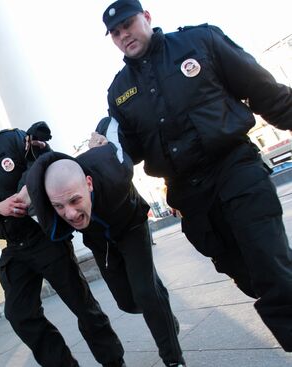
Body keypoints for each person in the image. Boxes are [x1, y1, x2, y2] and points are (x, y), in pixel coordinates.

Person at [101, 0, 292, 351]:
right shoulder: (119, 92)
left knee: (269, 264)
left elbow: (262, 90)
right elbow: (124, 152)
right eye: (115, 32)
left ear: (146, 17)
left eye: (128, 24)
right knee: (246, 272)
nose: (123, 34)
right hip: (189, 196)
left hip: (234, 168)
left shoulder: (199, 42)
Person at [0, 110, 126, 367]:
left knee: (82, 304)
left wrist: (22, 192)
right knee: (19, 315)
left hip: (42, 237)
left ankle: (114, 362)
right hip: (14, 247)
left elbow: (38, 161)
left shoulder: (11, 139)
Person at [25, 140, 185, 367]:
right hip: (100, 240)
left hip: (130, 226)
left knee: (146, 292)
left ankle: (173, 359)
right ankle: (163, 314)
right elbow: (36, 183)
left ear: (88, 184)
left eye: (75, 200)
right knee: (128, 302)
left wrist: (101, 137)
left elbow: (114, 126)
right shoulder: (50, 206)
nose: (69, 214)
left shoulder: (115, 172)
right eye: (59, 206)